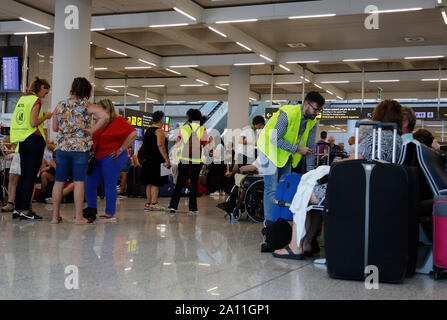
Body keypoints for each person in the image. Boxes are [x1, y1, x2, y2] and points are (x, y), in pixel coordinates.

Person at [273, 99, 404, 260]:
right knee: (312, 197)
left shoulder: (375, 137)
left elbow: (356, 160)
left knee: (303, 194)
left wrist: (338, 162)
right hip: (375, 190)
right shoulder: (398, 140)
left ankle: (296, 246)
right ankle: (306, 242)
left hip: (355, 190)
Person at [257, 91, 325, 228]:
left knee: (284, 187)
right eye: (315, 109)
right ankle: (270, 224)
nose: (317, 113)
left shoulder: (312, 122)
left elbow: (310, 149)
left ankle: (280, 222)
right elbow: (274, 139)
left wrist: (310, 175)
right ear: (306, 103)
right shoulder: (288, 113)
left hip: (285, 153)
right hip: (269, 149)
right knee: (272, 187)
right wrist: (298, 149)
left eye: (320, 110)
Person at [51, 77, 109, 224]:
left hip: (62, 148)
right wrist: (92, 130)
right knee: (78, 182)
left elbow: (55, 128)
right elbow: (105, 116)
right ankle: (78, 217)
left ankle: (54, 216)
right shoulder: (87, 106)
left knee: (59, 182)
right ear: (87, 91)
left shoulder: (60, 104)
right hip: (80, 148)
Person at [84, 99, 136, 222]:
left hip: (112, 156)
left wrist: (122, 148)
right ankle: (91, 211)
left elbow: (133, 133)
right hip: (98, 156)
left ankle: (110, 213)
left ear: (107, 109)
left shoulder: (118, 121)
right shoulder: (99, 121)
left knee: (109, 183)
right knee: (89, 183)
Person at [10, 76, 52, 220]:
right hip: (34, 140)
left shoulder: (22, 99)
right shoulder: (36, 101)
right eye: (45, 92)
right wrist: (46, 116)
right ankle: (26, 210)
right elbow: (34, 122)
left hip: (22, 140)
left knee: (23, 176)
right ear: (41, 88)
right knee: (30, 177)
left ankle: (17, 208)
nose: (45, 95)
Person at [168, 108, 209, 215]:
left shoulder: (184, 128)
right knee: (194, 184)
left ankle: (173, 206)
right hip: (197, 160)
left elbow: (178, 142)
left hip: (184, 159)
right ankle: (193, 208)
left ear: (189, 117)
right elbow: (204, 143)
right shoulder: (202, 129)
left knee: (179, 183)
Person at [140, 111, 170, 211]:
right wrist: (166, 159)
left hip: (147, 160)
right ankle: (154, 203)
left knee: (149, 182)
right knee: (155, 182)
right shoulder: (159, 131)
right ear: (161, 119)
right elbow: (160, 146)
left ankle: (148, 203)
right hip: (156, 160)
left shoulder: (148, 130)